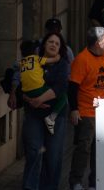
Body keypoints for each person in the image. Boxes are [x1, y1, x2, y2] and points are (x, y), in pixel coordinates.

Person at [21, 32, 70, 190]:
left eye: (57, 43)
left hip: (55, 116)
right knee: (34, 150)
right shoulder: (31, 61)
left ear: (60, 48)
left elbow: (61, 87)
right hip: (33, 113)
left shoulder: (62, 64)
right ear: (44, 45)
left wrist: (39, 99)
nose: (53, 45)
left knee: (53, 156)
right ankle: (30, 186)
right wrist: (30, 100)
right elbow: (22, 84)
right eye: (50, 41)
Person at [69, 27, 104, 190]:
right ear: (97, 43)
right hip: (87, 112)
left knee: (100, 148)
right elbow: (72, 87)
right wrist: (74, 110)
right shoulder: (82, 60)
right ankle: (76, 181)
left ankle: (95, 182)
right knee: (84, 147)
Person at [18, 38, 65, 134]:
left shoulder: (21, 62)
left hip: (27, 92)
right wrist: (59, 55)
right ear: (35, 51)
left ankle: (40, 103)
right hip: (39, 89)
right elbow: (54, 60)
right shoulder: (36, 59)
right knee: (63, 96)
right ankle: (51, 118)